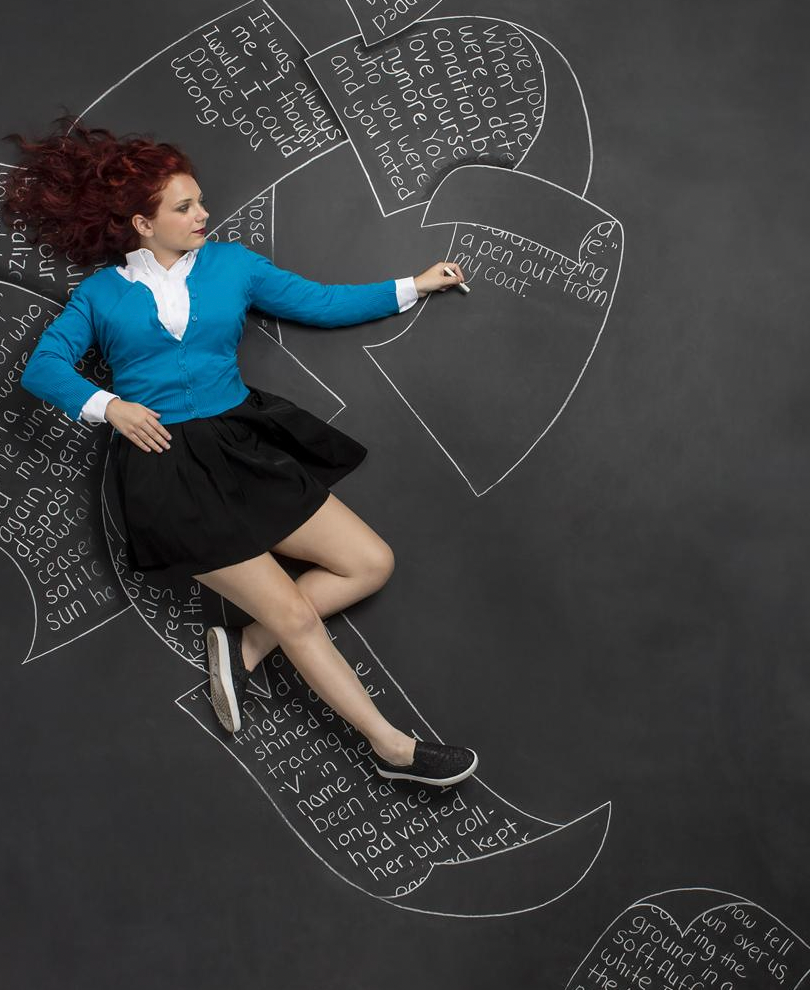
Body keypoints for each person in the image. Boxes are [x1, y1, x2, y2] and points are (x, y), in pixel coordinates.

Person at [3, 116, 478, 788]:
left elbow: (320, 301)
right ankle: (393, 750)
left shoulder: (233, 265)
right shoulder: (100, 294)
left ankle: (244, 641)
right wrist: (111, 406)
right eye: (184, 206)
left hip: (241, 446)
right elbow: (43, 367)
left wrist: (413, 284)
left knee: (370, 561)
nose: (203, 213)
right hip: (166, 465)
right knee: (296, 612)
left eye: (199, 201)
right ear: (142, 223)